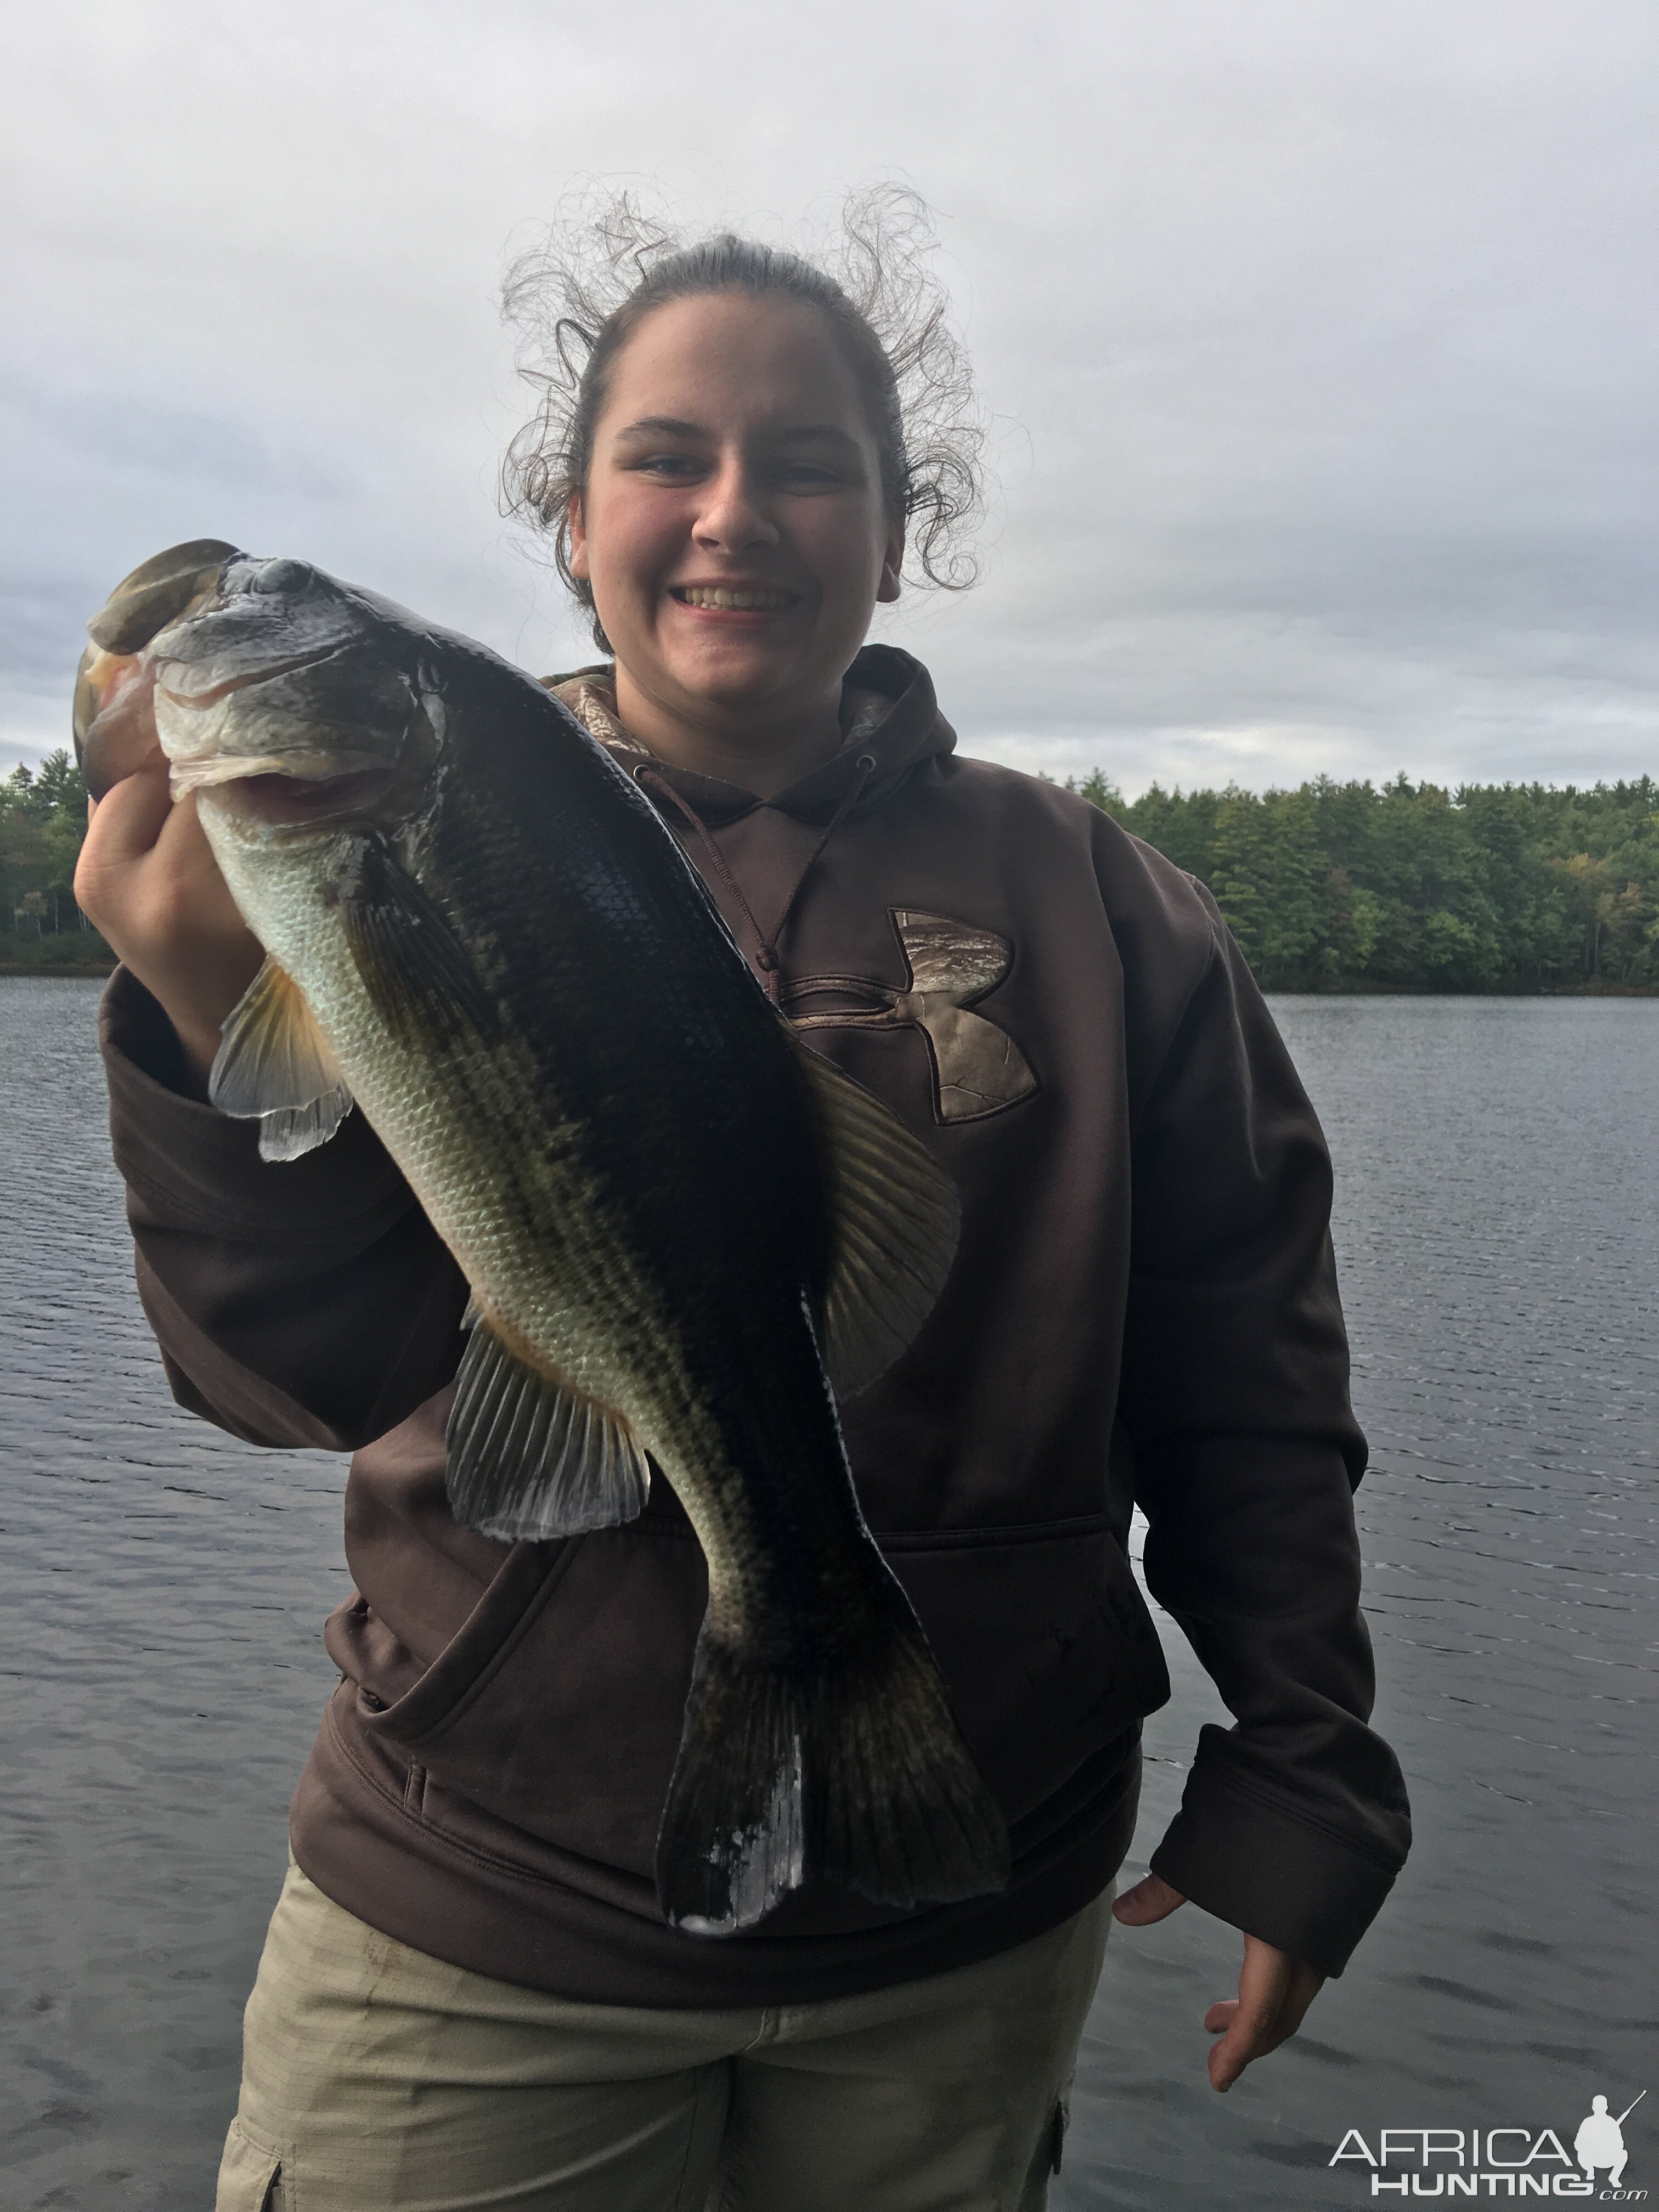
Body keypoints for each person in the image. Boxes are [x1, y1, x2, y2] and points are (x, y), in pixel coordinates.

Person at [75, 189, 1411, 2212]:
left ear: (899, 521)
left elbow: (1248, 1361)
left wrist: (1308, 1765)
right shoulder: (398, 840)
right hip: (481, 1914)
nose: (733, 513)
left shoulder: (1109, 909)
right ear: (573, 515)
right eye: (666, 458)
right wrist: (200, 1019)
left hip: (967, 1922)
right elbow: (299, 1381)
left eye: (808, 465)